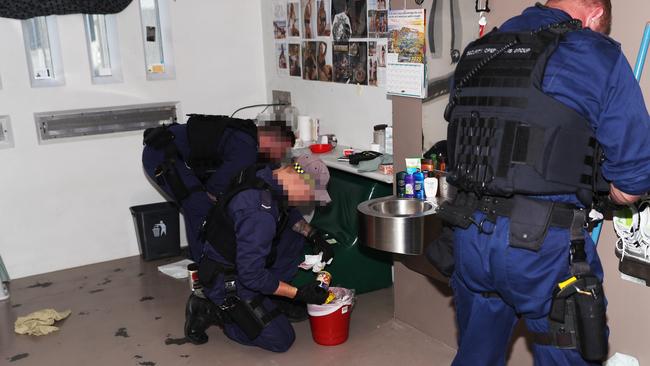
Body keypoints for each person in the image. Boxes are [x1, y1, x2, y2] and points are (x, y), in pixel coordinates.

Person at [435, 1, 650, 365]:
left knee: (476, 356)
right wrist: (608, 191)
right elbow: (633, 179)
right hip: (542, 250)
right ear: (595, 13)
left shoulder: (479, 51)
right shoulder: (596, 54)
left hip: (468, 234)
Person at [185, 154, 333, 352]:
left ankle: (268, 300)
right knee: (281, 339)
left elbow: (287, 214)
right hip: (228, 277)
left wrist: (314, 235)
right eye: (311, 195)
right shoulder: (259, 213)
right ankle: (211, 309)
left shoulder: (265, 174)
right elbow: (251, 275)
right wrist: (297, 294)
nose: (310, 200)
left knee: (293, 240)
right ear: (300, 182)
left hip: (238, 258)